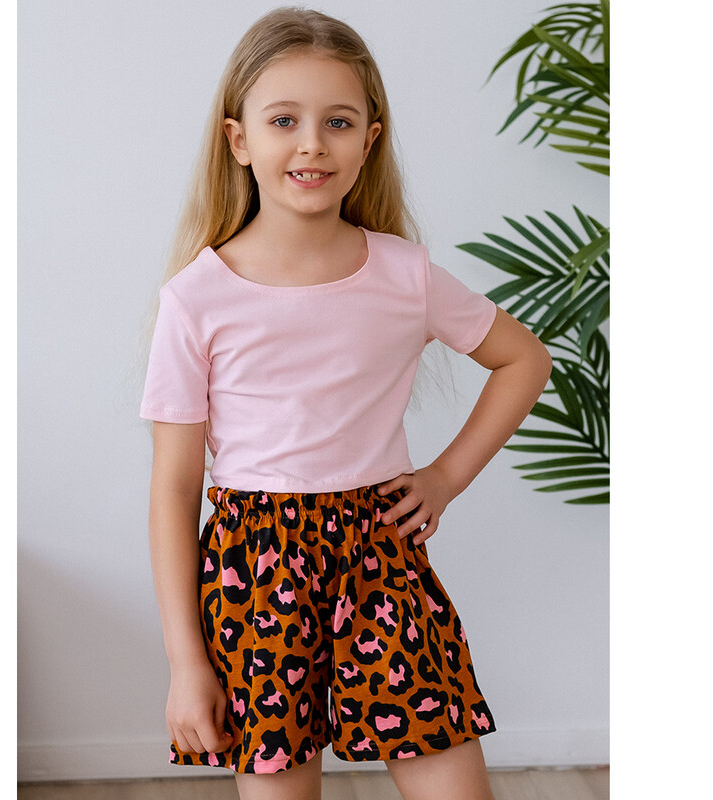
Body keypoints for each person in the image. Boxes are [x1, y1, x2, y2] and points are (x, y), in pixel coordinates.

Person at [139, 7, 552, 800]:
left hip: (381, 559)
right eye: (283, 121)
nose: (312, 144)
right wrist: (187, 664)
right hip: (256, 574)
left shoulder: (405, 275)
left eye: (338, 121)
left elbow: (523, 359)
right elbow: (173, 490)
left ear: (369, 140)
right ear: (238, 140)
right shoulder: (196, 299)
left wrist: (445, 477)